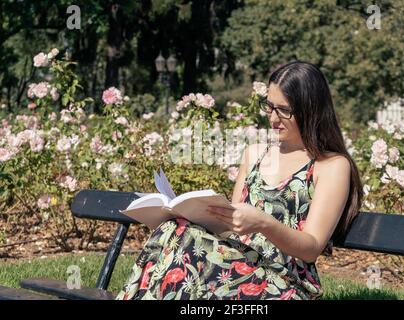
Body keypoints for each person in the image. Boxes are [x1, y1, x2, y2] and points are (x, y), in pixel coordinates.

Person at [116, 60, 363, 300]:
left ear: (311, 109)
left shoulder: (331, 165)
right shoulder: (255, 154)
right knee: (174, 228)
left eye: (284, 110)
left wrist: (263, 224)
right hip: (233, 265)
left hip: (283, 282)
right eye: (269, 106)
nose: (273, 118)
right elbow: (229, 227)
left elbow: (311, 248)